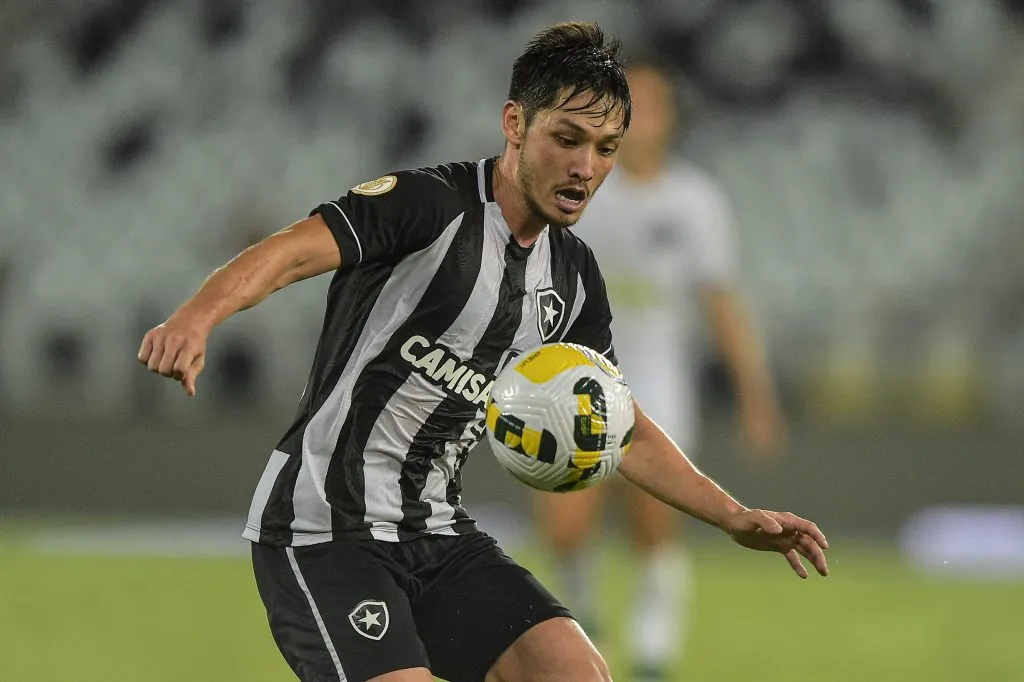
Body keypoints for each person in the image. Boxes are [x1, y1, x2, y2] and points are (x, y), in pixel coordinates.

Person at [138, 22, 827, 682]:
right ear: (515, 125)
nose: (586, 167)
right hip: (324, 531)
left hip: (438, 535)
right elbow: (290, 253)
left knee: (574, 672)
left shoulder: (576, 278)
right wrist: (198, 317)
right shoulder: (428, 206)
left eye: (607, 148)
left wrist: (735, 516)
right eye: (568, 138)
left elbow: (619, 427)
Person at [535, 61, 786, 679]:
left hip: (658, 375)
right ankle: (587, 618)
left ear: (670, 118)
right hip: (573, 373)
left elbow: (720, 300)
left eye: (652, 103)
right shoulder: (582, 184)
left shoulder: (694, 201)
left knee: (653, 521)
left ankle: (653, 649)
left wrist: (754, 394)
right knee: (565, 524)